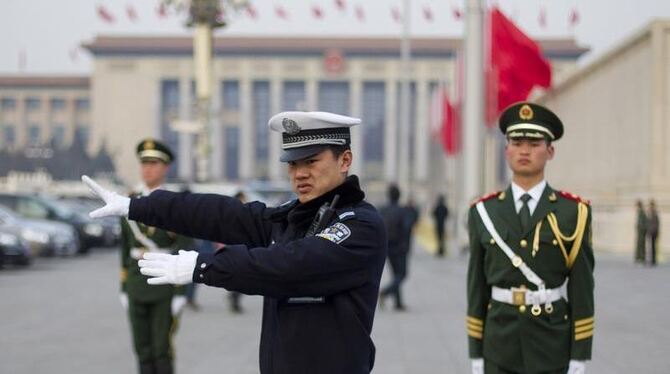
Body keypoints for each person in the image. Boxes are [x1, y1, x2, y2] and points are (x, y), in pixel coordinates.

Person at [83, 111, 387, 374]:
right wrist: (137, 207)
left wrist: (203, 267)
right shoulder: (293, 220)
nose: (300, 174)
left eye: (311, 161)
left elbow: (292, 265)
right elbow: (222, 215)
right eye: (293, 165)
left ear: (345, 159)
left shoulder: (358, 225)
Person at [467, 102, 595, 374]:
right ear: (506, 150)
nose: (524, 150)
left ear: (550, 151)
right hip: (499, 344)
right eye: (516, 141)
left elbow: (582, 288)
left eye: (535, 142)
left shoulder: (574, 212)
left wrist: (580, 355)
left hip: (552, 344)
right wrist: (475, 352)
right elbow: (476, 287)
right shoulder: (483, 211)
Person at [119, 139, 194, 374]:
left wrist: (182, 293)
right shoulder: (129, 200)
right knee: (141, 348)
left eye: (154, 163)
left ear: (165, 167)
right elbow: (124, 247)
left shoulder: (175, 204)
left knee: (162, 349)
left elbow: (184, 248)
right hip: (135, 283)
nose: (148, 169)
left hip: (164, 286)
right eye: (144, 163)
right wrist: (123, 286)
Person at [379, 184, 411, 311]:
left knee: (395, 274)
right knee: (402, 274)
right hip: (400, 247)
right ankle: (386, 292)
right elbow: (407, 228)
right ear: (399, 196)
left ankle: (398, 303)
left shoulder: (383, 210)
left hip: (387, 246)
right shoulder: (402, 210)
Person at [635, 199, 647, 264]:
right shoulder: (640, 212)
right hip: (640, 232)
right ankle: (639, 258)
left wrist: (642, 230)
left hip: (641, 232)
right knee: (639, 245)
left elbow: (643, 223)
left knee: (642, 245)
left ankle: (642, 258)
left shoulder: (642, 212)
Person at [647, 199, 659, 266]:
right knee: (651, 247)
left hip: (654, 232)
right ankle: (652, 260)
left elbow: (656, 224)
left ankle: (654, 260)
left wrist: (655, 231)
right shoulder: (650, 213)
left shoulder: (654, 213)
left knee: (653, 247)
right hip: (650, 232)